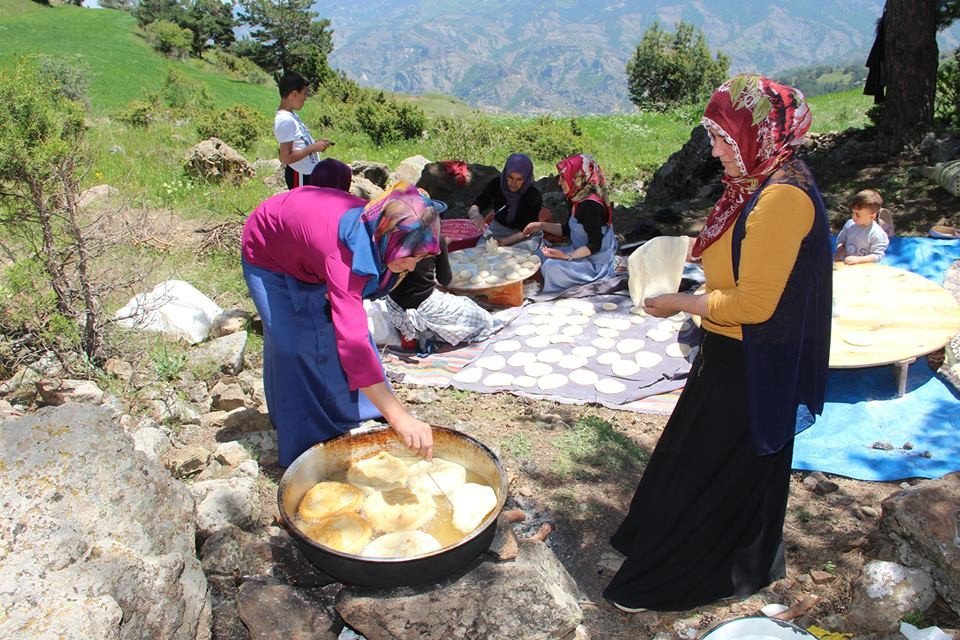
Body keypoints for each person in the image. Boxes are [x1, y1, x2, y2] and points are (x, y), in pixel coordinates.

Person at [603, 75, 832, 613]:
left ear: (759, 135)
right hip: (730, 348)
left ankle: (679, 574)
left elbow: (754, 305)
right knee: (708, 457)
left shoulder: (780, 199)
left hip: (754, 355)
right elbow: (736, 258)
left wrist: (679, 303)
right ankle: (746, 555)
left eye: (723, 140)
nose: (713, 150)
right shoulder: (755, 184)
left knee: (713, 469)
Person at [241, 182, 442, 467]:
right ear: (387, 239)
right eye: (409, 258)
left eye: (420, 258)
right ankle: (305, 439)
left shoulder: (381, 226)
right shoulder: (344, 258)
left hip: (310, 247)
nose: (411, 267)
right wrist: (401, 417)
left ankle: (361, 412)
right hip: (269, 249)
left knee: (329, 329)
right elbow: (355, 343)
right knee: (292, 346)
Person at [521, 153, 618, 295]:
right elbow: (568, 229)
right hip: (579, 254)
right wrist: (540, 225)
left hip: (595, 263)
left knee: (551, 268)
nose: (559, 182)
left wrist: (567, 257)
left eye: (563, 177)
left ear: (577, 177)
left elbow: (595, 245)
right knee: (538, 256)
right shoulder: (576, 198)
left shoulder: (590, 206)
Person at [385, 234, 498, 350]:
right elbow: (445, 280)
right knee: (485, 320)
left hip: (395, 309)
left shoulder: (385, 241)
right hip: (425, 306)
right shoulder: (434, 238)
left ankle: (415, 332)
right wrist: (441, 248)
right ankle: (424, 332)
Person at [467, 153, 545, 248]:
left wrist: (500, 243)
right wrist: (475, 215)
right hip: (497, 230)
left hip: (523, 235)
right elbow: (478, 203)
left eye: (519, 179)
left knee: (522, 257)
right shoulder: (497, 184)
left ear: (526, 178)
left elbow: (527, 230)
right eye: (510, 177)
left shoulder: (533, 196)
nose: (513, 183)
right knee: (479, 252)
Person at [274, 71, 333, 189]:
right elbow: (285, 158)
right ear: (294, 94)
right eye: (305, 93)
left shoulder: (291, 116)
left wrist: (315, 144)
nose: (306, 98)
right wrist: (312, 148)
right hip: (299, 175)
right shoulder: (286, 120)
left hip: (307, 173)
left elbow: (298, 143)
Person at [834, 189, 890, 265]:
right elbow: (841, 241)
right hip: (846, 266)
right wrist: (840, 250)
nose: (853, 216)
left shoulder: (877, 233)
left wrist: (859, 260)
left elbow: (877, 256)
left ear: (872, 216)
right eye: (852, 212)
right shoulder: (850, 224)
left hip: (865, 270)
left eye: (858, 215)